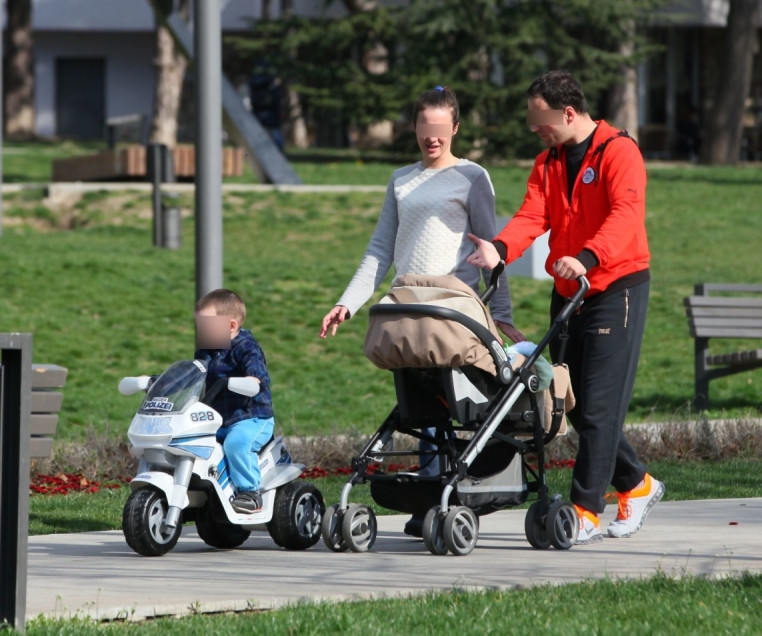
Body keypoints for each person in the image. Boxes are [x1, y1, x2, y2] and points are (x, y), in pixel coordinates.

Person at [466, 71, 664, 545]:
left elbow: (625, 214)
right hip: (569, 289)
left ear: (568, 113)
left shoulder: (620, 152)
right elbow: (534, 216)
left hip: (615, 286)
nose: (535, 129)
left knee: (598, 407)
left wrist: (590, 256)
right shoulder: (548, 163)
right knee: (568, 400)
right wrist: (500, 247)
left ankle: (585, 511)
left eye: (540, 121)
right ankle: (637, 484)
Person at [318, 86, 524, 537]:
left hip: (453, 312)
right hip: (408, 310)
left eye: (439, 132)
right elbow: (379, 251)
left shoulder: (472, 176)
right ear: (413, 127)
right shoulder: (401, 180)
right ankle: (432, 498)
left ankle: (445, 496)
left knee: (452, 406)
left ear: (454, 128)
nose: (431, 140)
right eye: (423, 131)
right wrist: (346, 303)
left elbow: (492, 250)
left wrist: (501, 313)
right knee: (421, 408)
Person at [194, 289, 274, 513]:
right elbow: (194, 373)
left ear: (230, 326)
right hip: (220, 418)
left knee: (236, 443)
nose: (201, 331)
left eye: (206, 325)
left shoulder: (246, 347)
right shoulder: (207, 349)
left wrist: (250, 380)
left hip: (251, 418)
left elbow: (257, 374)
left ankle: (250, 492)